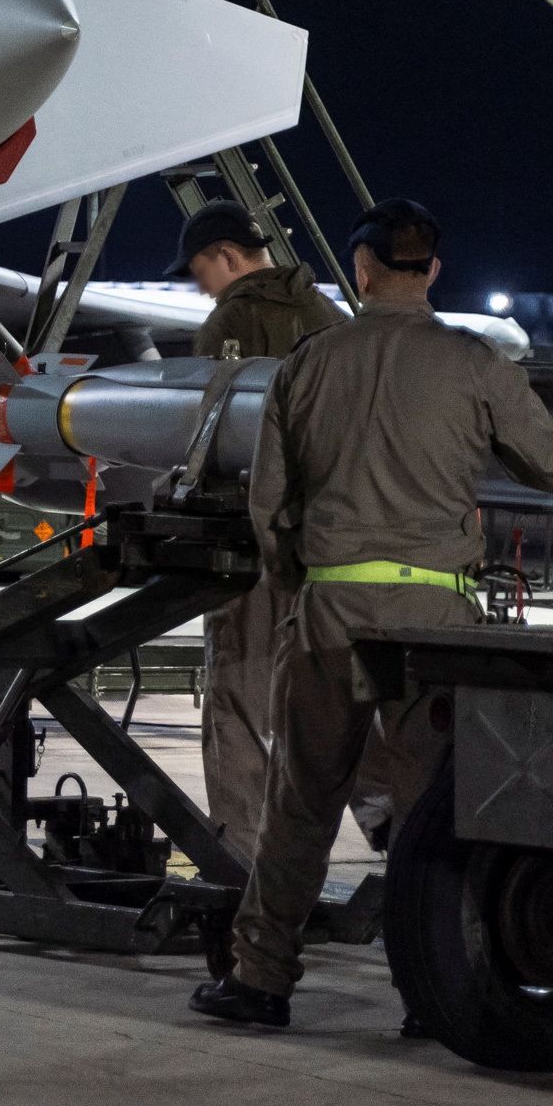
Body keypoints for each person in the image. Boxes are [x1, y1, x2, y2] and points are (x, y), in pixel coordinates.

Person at [190, 198, 553, 1030]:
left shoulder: (309, 365)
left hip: (331, 607)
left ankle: (261, 980)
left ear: (358, 273)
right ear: (432, 272)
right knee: (433, 814)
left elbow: (269, 505)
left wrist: (302, 587)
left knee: (301, 803)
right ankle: (433, 991)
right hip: (434, 621)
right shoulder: (474, 364)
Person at [172, 198, 346, 854]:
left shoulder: (233, 319)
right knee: (326, 696)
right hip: (327, 542)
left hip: (250, 538)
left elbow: (218, 433)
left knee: (238, 691)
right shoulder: (328, 316)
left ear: (226, 257)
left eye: (200, 271)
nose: (200, 287)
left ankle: (239, 847)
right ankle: (384, 823)